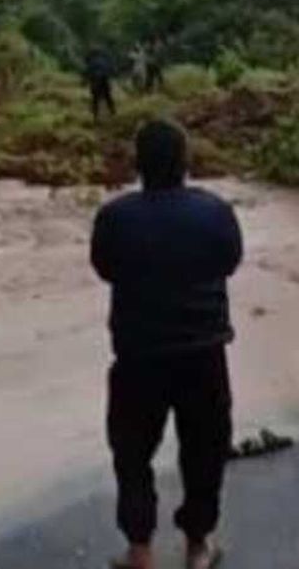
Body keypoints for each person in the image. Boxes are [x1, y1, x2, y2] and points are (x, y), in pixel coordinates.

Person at [91, 119, 243, 569]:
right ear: (186, 162)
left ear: (137, 165)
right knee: (205, 450)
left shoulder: (116, 217)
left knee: (132, 453)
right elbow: (230, 261)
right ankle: (197, 546)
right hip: (203, 354)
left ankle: (140, 552)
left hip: (139, 357)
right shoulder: (215, 212)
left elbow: (105, 268)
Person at [86, 47, 117, 121]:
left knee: (95, 98)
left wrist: (85, 80)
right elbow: (112, 70)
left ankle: (95, 115)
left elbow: (88, 72)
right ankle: (112, 110)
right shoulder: (105, 60)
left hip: (96, 81)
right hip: (104, 80)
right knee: (107, 96)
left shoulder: (92, 61)